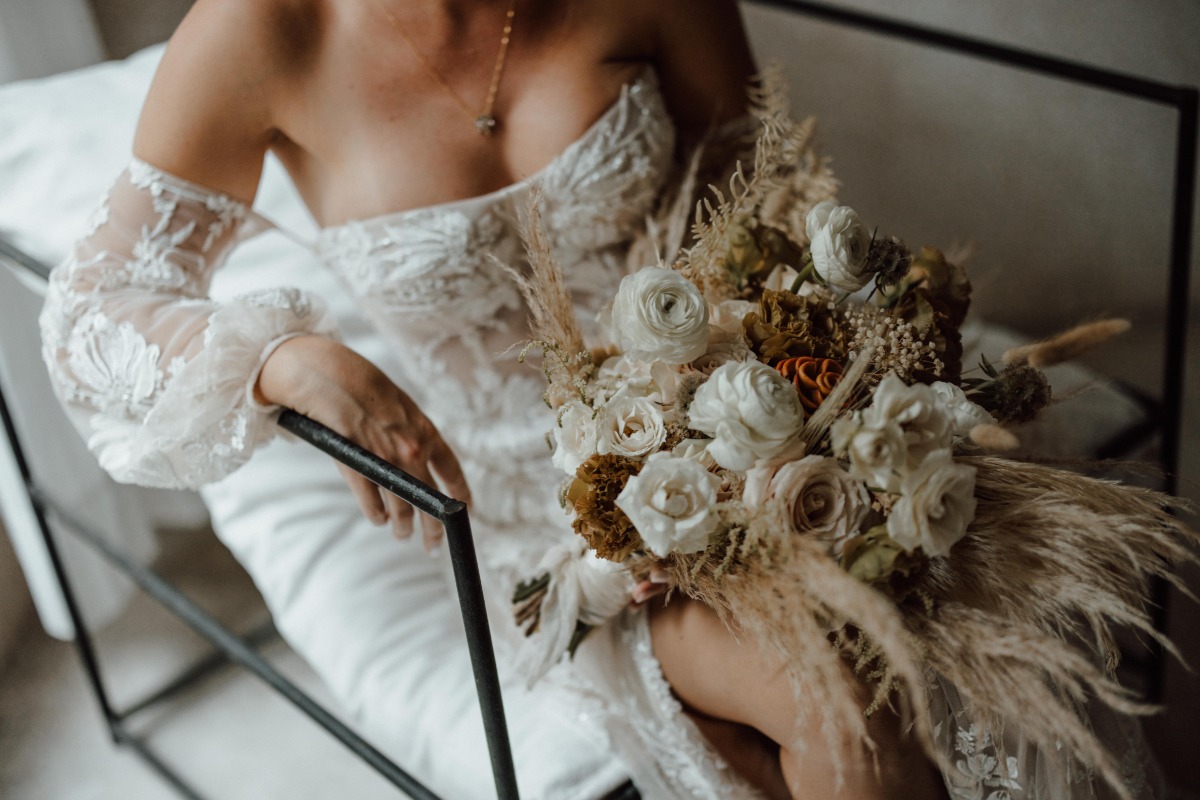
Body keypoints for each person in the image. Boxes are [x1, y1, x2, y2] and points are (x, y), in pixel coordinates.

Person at [37, 1, 1165, 798]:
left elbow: (758, 220)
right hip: (540, 524)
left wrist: (778, 426)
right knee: (849, 711)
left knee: (947, 670)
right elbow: (97, 307)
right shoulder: (260, 28)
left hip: (742, 434)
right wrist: (285, 356)